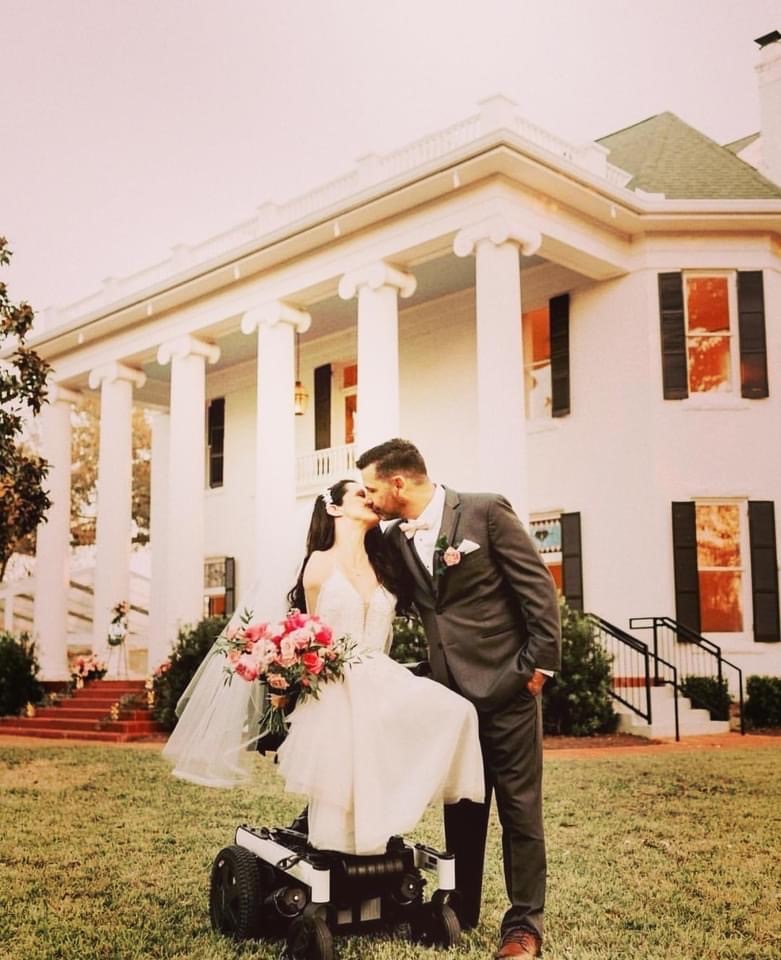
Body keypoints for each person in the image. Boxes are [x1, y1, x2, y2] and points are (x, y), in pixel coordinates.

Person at [163, 478, 485, 858]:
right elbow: (307, 630)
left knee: (458, 711)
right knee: (350, 749)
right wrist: (286, 668)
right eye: (360, 494)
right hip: (337, 682)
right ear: (334, 508)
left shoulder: (386, 565)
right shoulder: (318, 565)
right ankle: (339, 855)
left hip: (382, 675)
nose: (371, 500)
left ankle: (395, 815)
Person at [357, 439, 561, 960]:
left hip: (509, 690)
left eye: (373, 487)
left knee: (519, 812)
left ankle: (523, 928)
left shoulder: (485, 511)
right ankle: (461, 908)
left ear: (398, 482)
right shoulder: (395, 539)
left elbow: (537, 591)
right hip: (451, 700)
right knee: (464, 809)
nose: (370, 496)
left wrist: (536, 670)